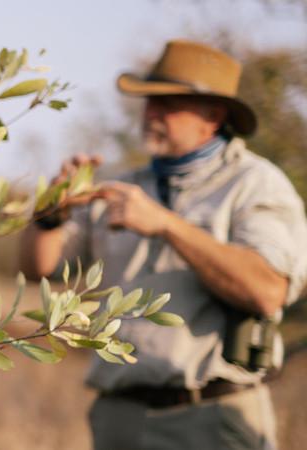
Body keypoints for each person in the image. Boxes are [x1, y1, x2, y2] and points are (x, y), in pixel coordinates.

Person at [19, 40, 307, 449]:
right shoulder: (124, 186)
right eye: (149, 102)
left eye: (169, 104)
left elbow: (267, 291)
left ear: (214, 115)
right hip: (119, 418)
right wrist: (51, 211)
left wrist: (168, 225)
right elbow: (40, 269)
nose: (152, 113)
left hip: (211, 417)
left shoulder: (255, 184)